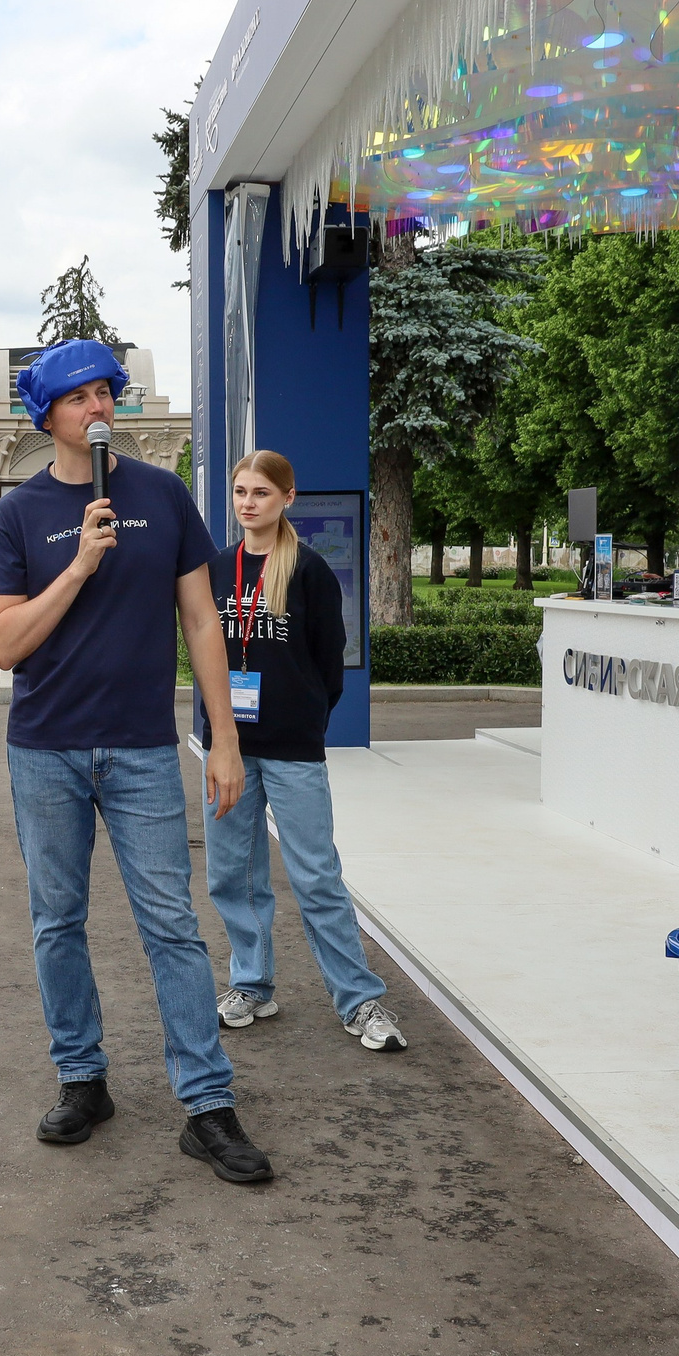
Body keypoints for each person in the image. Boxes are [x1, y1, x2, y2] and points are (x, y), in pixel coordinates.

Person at [0, 338, 269, 1184]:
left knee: (171, 925)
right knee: (56, 922)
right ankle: (82, 1079)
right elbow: (2, 645)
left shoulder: (162, 493)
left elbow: (203, 621)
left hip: (142, 747)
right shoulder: (19, 514)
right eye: (79, 397)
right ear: (47, 416)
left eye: (106, 391)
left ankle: (207, 1105)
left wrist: (224, 738)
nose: (99, 406)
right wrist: (78, 566)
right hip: (47, 750)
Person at [199, 451, 404, 1053]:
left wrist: (304, 716)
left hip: (292, 747)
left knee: (316, 876)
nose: (248, 502)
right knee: (232, 875)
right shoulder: (217, 568)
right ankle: (251, 985)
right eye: (241, 491)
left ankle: (359, 999)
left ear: (287, 498)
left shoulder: (309, 571)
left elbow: (328, 663)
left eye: (261, 492)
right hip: (229, 748)